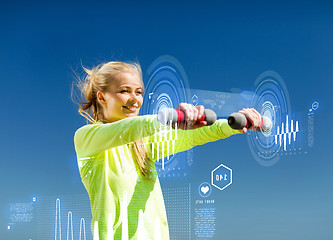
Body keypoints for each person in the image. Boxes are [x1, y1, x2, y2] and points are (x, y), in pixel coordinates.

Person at [73, 61, 262, 240]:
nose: (134, 99)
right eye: (124, 91)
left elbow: (192, 136)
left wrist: (233, 123)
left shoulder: (144, 143)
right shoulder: (87, 139)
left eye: (138, 92)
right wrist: (168, 118)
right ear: (102, 97)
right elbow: (130, 128)